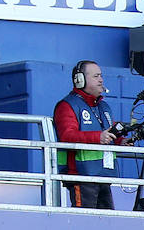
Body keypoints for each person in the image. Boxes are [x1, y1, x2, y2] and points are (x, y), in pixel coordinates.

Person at [55, 60, 124, 209]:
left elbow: (108, 134)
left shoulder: (103, 106)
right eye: (96, 76)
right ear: (80, 80)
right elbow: (67, 136)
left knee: (107, 222)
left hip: (103, 176)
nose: (101, 79)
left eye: (101, 76)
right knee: (85, 223)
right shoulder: (67, 105)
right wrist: (98, 137)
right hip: (81, 176)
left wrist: (122, 141)